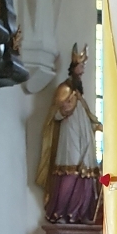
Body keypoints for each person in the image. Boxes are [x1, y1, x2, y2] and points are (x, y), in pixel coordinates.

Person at [36, 44, 102, 223]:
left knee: (85, 172)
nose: (83, 69)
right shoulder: (64, 89)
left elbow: (86, 113)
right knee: (69, 170)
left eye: (84, 66)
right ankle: (61, 213)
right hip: (69, 135)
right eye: (81, 66)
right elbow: (55, 114)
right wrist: (64, 110)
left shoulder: (79, 91)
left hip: (84, 136)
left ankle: (80, 213)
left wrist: (95, 126)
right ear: (73, 67)